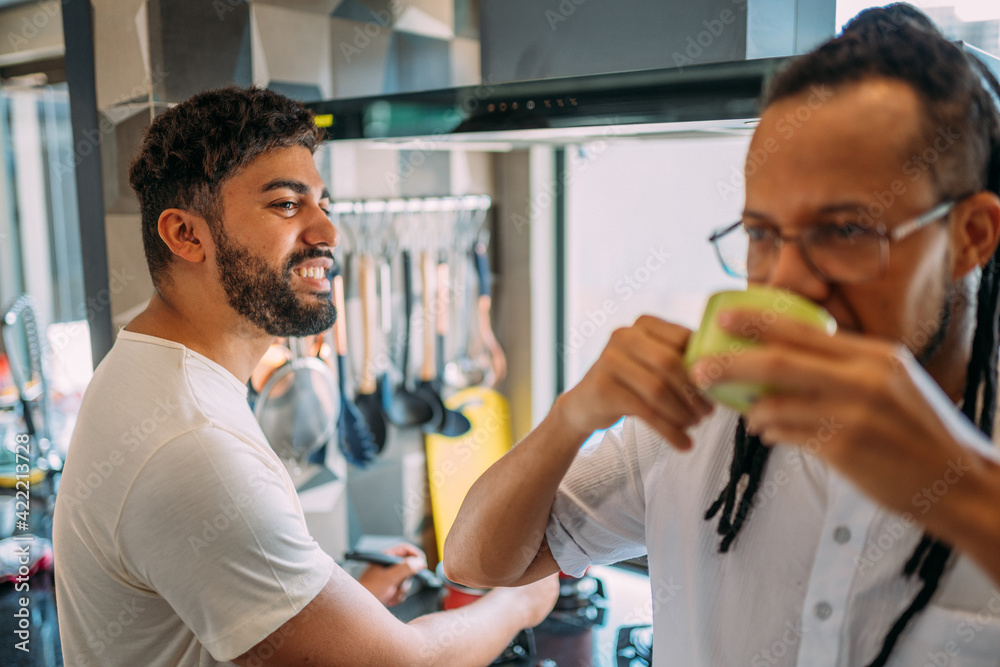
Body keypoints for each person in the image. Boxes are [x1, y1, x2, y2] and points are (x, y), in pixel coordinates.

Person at [447, 5, 1000, 666]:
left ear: (971, 236)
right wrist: (573, 417)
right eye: (763, 234)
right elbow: (478, 560)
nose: (786, 281)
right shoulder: (702, 414)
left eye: (846, 229)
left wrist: (957, 485)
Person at [52, 86, 556, 667]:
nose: (329, 233)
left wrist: (339, 605)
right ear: (186, 235)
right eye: (287, 205)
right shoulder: (194, 447)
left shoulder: (147, 369)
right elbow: (404, 664)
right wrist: (518, 601)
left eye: (322, 203)